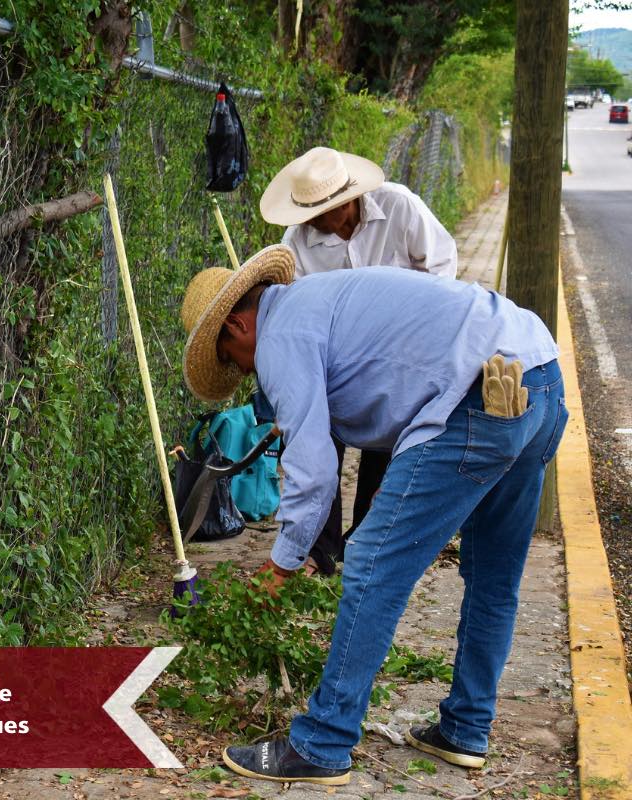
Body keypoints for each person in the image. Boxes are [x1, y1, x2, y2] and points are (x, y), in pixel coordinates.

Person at [178, 246, 565, 784]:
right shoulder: (317, 300)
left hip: (474, 398)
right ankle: (466, 729)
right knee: (494, 575)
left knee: (370, 566)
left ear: (239, 326)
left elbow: (313, 473)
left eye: (232, 361)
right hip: (539, 377)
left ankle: (322, 743)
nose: (244, 374)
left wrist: (281, 566)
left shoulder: (281, 338)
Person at [259, 146, 459, 574]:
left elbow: (442, 263)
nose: (311, 221)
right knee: (316, 442)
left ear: (346, 202)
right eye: (306, 213)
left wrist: (419, 327)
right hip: (338, 365)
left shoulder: (400, 206)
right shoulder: (296, 244)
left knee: (386, 449)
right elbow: (296, 319)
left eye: (320, 213)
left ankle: (367, 546)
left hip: (405, 352)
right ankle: (318, 550)